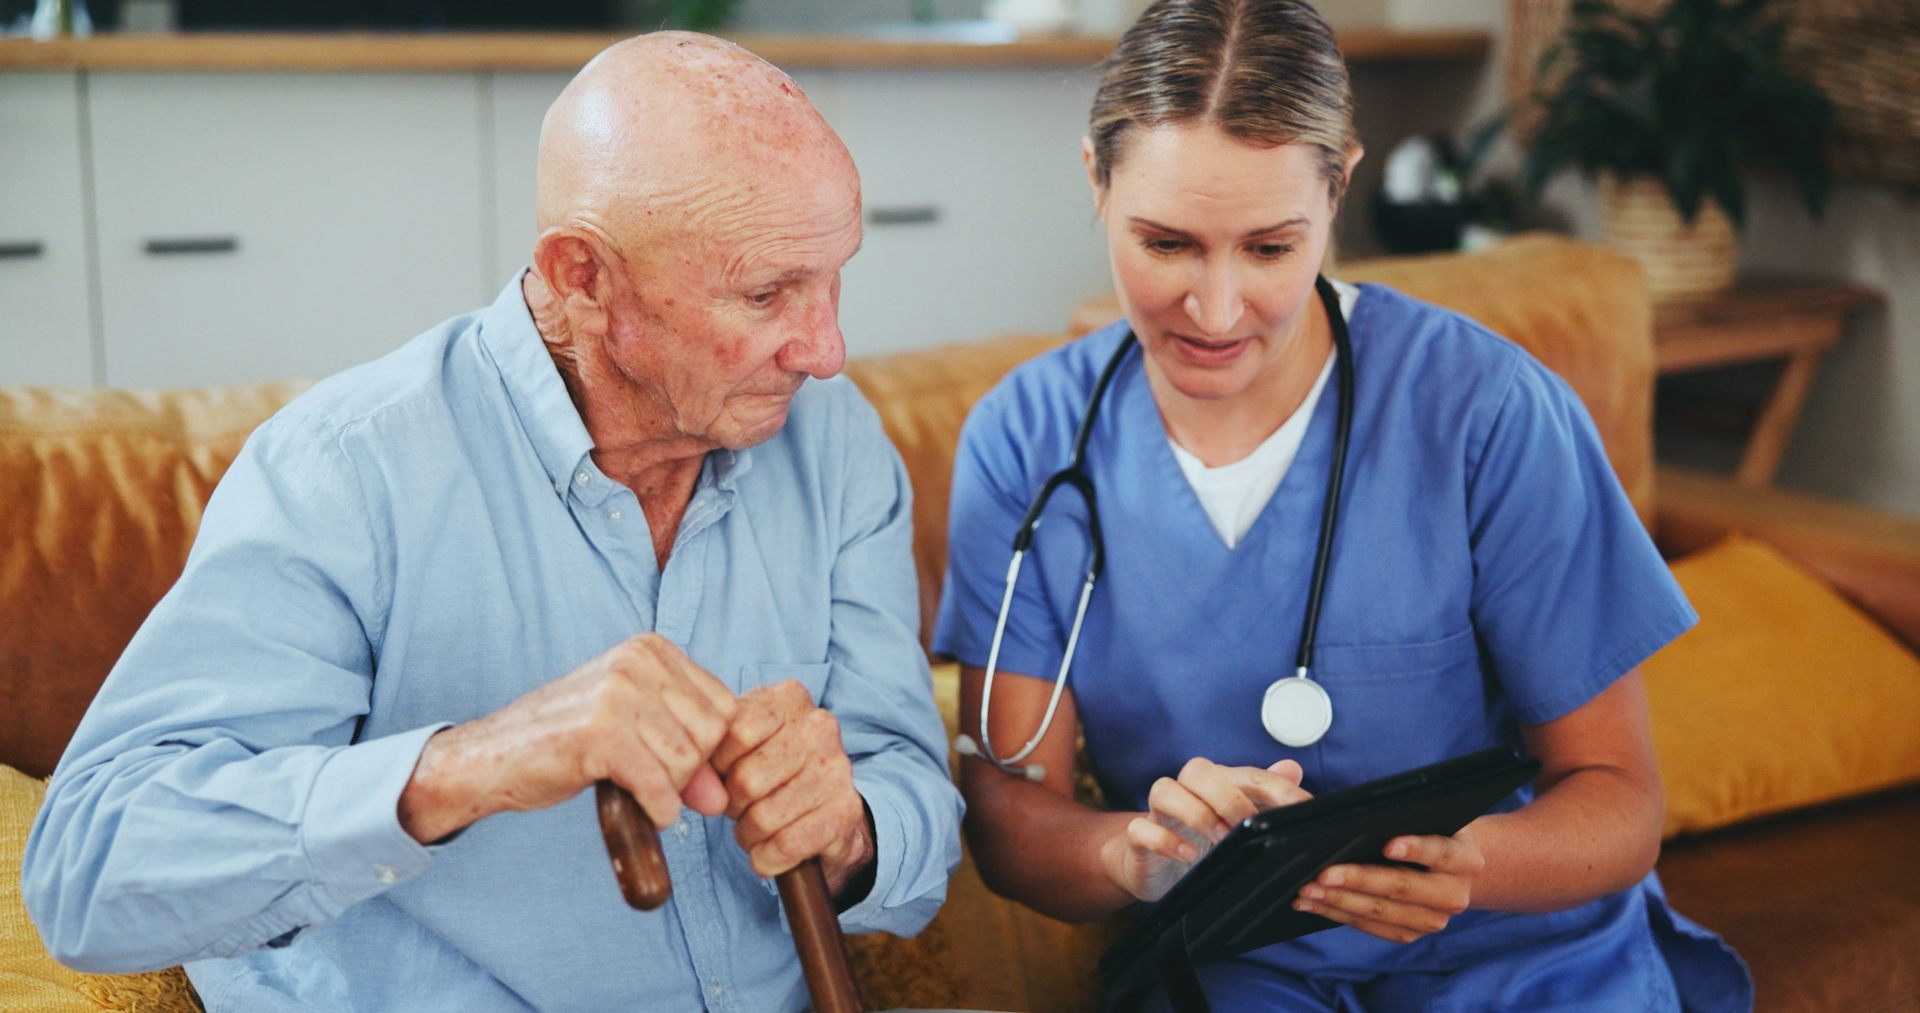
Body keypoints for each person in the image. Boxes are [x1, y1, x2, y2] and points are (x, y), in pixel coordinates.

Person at [23, 33, 961, 1011]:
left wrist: (853, 827)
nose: (828, 350)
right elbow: (89, 874)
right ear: (582, 277)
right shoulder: (347, 470)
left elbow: (916, 807)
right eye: (768, 292)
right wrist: (474, 763)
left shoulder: (835, 442)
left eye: (834, 275)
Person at [934, 1, 1751, 1008]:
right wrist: (1132, 855)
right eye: (1167, 243)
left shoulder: (1486, 413)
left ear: (1340, 185)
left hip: (1530, 963)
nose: (1218, 310)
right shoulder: (1026, 439)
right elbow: (1011, 812)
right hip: (1240, 967)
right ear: (1096, 182)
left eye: (1272, 248)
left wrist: (1472, 864)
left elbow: (1621, 801)